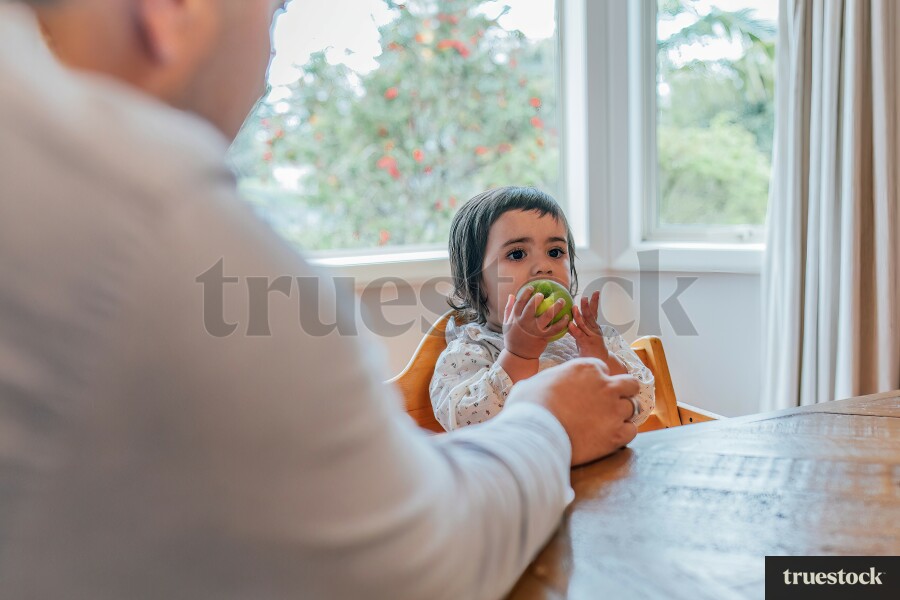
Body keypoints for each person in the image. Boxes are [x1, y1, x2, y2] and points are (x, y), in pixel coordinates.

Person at [0, 1, 641, 598]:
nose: (269, 60)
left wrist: (595, 351)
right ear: (172, 11)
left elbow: (637, 397)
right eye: (273, 13)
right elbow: (420, 553)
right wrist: (545, 413)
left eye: (556, 252)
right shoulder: (164, 232)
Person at [430, 187, 655, 430]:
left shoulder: (595, 340)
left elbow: (642, 405)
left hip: (601, 465)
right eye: (517, 254)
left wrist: (600, 358)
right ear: (472, 282)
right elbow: (466, 424)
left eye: (555, 252)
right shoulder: (470, 352)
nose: (543, 267)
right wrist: (519, 357)